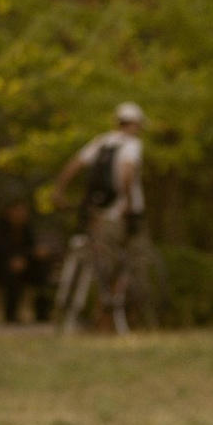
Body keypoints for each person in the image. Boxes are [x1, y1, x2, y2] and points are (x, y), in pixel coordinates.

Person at [54, 102, 149, 335]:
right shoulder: (132, 144)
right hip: (125, 214)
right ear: (136, 124)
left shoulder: (101, 142)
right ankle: (114, 320)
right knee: (131, 263)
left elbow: (74, 165)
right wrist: (126, 200)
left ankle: (103, 320)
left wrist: (58, 191)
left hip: (100, 214)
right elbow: (127, 171)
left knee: (103, 266)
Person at [0, 190, 52, 325]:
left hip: (23, 266)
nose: (21, 214)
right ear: (8, 212)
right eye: (17, 210)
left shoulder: (26, 228)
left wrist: (33, 255)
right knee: (12, 272)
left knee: (42, 269)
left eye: (23, 211)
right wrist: (16, 259)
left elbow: (31, 247)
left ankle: (42, 312)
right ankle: (11, 314)